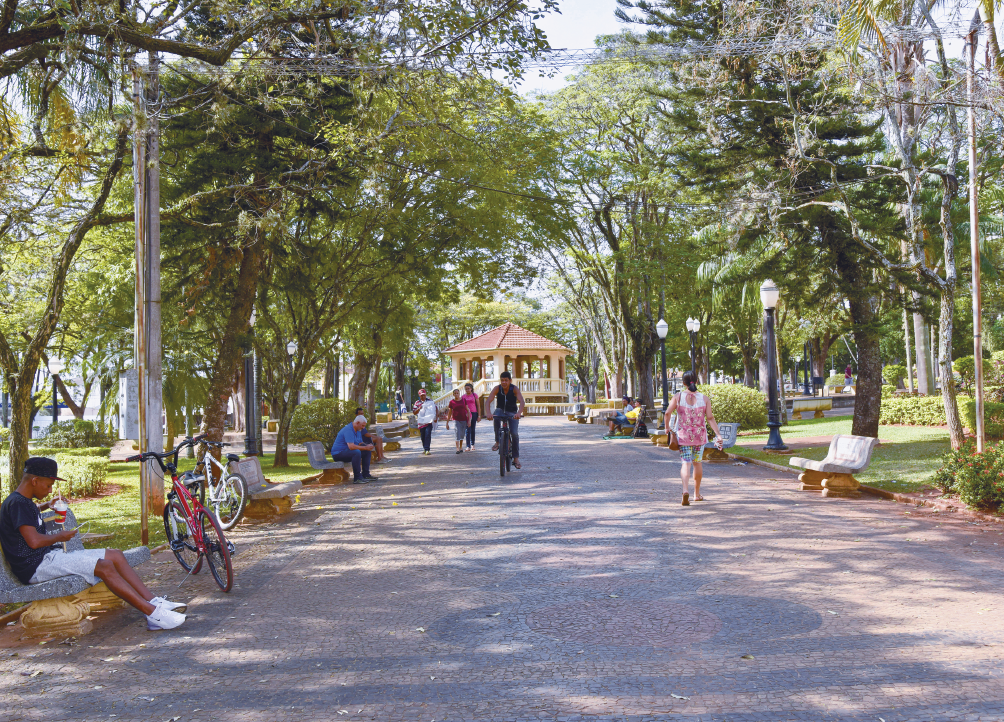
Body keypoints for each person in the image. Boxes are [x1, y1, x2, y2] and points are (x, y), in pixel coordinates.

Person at [0, 457, 187, 630]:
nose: (50, 490)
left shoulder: (22, 502)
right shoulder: (18, 504)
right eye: (48, 485)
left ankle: (153, 601)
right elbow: (33, 541)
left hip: (47, 558)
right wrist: (61, 536)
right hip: (37, 567)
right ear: (34, 481)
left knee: (114, 554)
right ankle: (153, 614)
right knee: (104, 566)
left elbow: (28, 517)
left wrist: (46, 505)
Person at [664, 371, 723, 506]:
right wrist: (718, 434)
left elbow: (667, 413)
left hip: (683, 436)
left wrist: (667, 428)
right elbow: (710, 418)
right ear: (696, 381)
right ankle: (697, 494)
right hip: (699, 436)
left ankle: (685, 491)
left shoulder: (678, 397)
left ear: (683, 383)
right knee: (697, 463)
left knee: (686, 463)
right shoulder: (704, 398)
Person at [485, 370, 527, 469]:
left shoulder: (514, 389)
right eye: (502, 380)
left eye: (506, 380)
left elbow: (522, 402)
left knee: (514, 433)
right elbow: (488, 401)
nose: (504, 382)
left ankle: (516, 458)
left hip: (512, 412)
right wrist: (488, 413)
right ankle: (498, 441)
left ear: (510, 380)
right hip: (500, 410)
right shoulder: (497, 388)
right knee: (496, 416)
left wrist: (518, 413)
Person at [330, 415, 380, 483]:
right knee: (356, 452)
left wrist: (367, 446)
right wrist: (365, 447)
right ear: (357, 423)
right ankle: (357, 477)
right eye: (362, 425)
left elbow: (360, 443)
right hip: (338, 454)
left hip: (348, 452)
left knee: (367, 451)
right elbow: (351, 446)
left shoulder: (358, 430)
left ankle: (366, 474)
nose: (363, 428)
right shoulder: (348, 430)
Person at [446, 388, 470, 455]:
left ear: (459, 394)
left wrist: (469, 420)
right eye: (455, 393)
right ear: (453, 394)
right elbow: (450, 412)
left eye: (457, 393)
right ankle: (457, 448)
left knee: (462, 434)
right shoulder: (451, 402)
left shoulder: (463, 400)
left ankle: (461, 447)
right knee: (457, 432)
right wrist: (447, 422)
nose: (456, 394)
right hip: (456, 419)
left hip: (464, 419)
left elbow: (467, 410)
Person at [413, 388, 437, 455]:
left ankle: (427, 449)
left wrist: (436, 417)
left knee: (427, 434)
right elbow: (414, 412)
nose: (423, 397)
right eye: (421, 395)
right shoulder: (417, 403)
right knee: (423, 436)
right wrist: (419, 409)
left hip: (429, 422)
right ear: (419, 396)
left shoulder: (430, 401)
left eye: (424, 395)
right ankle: (424, 448)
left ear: (426, 395)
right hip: (421, 422)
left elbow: (436, 408)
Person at [461, 382, 479, 451]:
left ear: (471, 389)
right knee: (467, 429)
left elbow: (478, 405)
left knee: (472, 429)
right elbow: (462, 406)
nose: (467, 390)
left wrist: (479, 415)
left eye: (468, 389)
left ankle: (472, 444)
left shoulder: (475, 395)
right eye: (466, 389)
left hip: (474, 413)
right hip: (466, 414)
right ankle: (467, 446)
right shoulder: (463, 396)